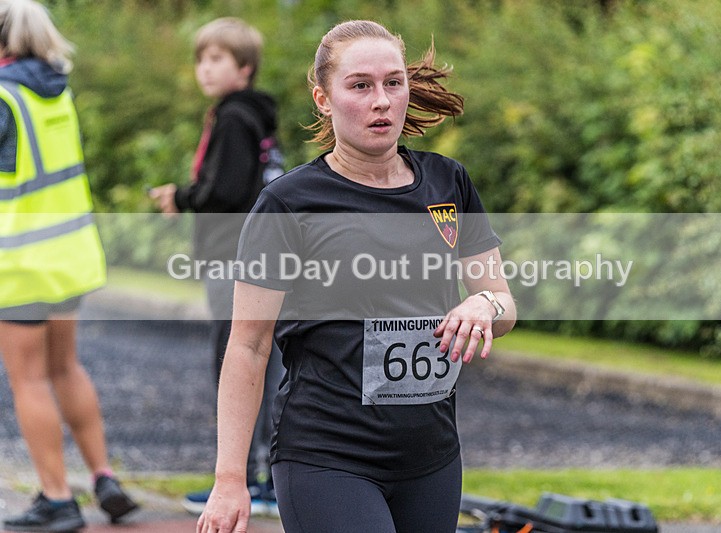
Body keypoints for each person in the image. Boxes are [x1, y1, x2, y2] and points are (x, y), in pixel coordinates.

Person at [197, 19, 517, 533]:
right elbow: (248, 347)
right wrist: (229, 477)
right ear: (323, 99)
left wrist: (484, 306)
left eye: (394, 83)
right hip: (326, 455)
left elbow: (502, 303)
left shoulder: (447, 182)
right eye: (360, 86)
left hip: (431, 457)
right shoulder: (289, 204)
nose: (382, 101)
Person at [0, 1, 138, 531]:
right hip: (68, 254)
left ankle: (57, 499)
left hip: (20, 263)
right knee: (65, 368)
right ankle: (105, 478)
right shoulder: (55, 88)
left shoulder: (5, 96)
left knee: (29, 381)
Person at [148, 16, 283, 517]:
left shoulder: (232, 118)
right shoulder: (256, 116)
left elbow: (226, 192)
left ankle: (246, 480)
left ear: (244, 68)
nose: (205, 68)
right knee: (267, 363)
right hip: (262, 256)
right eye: (201, 58)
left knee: (236, 361)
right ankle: (270, 477)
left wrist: (182, 197)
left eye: (217, 58)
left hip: (235, 259)